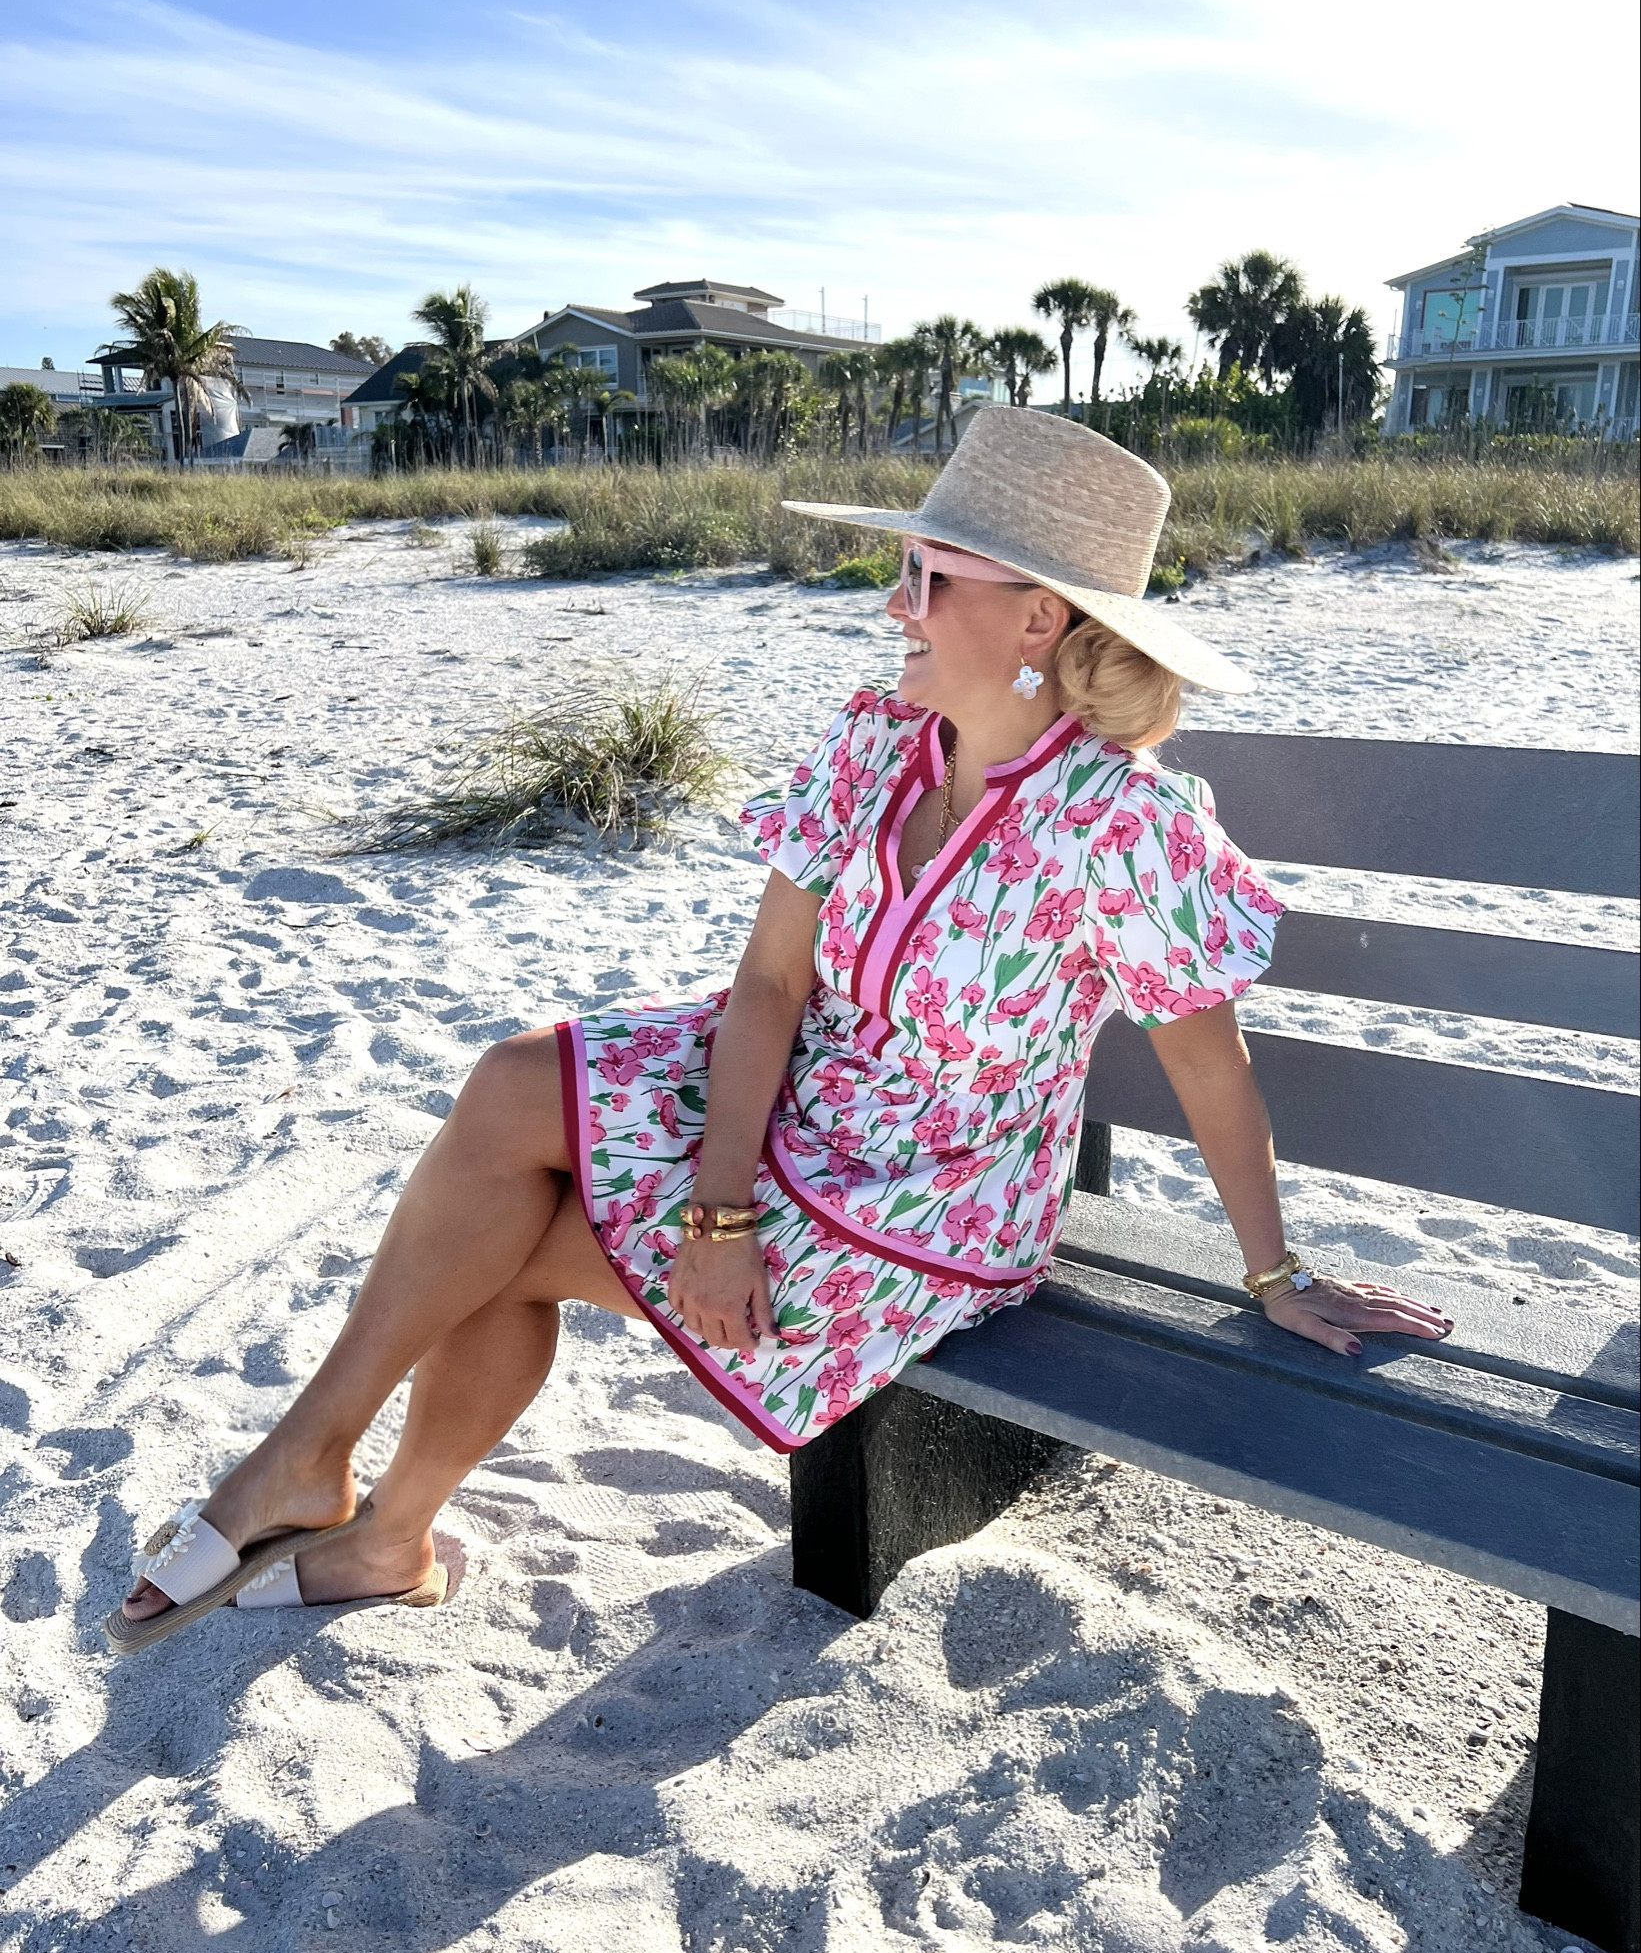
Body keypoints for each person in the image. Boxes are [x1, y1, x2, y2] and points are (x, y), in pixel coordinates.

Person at [109, 409, 1450, 1651]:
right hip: (804, 1082)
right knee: (514, 1082)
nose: (893, 606)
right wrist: (720, 1209)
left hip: (927, 1184)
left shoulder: (1123, 823)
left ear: (1037, 617)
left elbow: (1208, 1068)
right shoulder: (876, 739)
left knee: (504, 1248)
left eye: (927, 580)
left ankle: (360, 1516)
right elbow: (763, 987)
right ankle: (331, 1482)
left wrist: (1273, 1276)